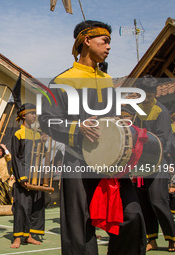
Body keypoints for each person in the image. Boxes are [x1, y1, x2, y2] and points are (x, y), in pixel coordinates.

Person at [39, 20, 146, 254]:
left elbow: (113, 120)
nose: (109, 47)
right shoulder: (62, 81)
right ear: (86, 41)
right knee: (80, 229)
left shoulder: (107, 80)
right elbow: (46, 119)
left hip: (111, 161)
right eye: (105, 41)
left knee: (132, 216)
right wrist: (76, 128)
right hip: (77, 161)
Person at [133, 76, 175, 252]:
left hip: (158, 162)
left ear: (155, 94)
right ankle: (152, 239)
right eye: (143, 96)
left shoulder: (161, 111)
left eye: (149, 97)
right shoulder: (138, 111)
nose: (146, 100)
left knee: (158, 200)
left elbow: (164, 140)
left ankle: (172, 238)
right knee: (144, 201)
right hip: (142, 163)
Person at [10, 103, 45, 248]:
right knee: (21, 207)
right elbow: (16, 158)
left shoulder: (37, 134)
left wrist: (43, 143)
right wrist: (21, 177)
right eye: (32, 113)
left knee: (35, 206)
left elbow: (41, 154)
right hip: (23, 175)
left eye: (36, 113)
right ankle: (18, 237)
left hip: (36, 174)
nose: (35, 116)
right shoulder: (18, 133)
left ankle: (29, 235)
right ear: (24, 115)